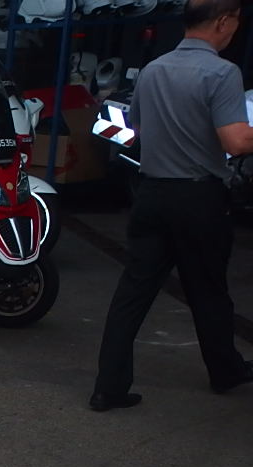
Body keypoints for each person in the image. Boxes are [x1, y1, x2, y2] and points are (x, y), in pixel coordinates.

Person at [90, 0, 253, 411]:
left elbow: (138, 125)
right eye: (236, 22)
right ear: (223, 21)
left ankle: (108, 387)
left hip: (151, 194)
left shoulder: (153, 70)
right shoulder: (222, 72)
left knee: (133, 292)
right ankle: (225, 371)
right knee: (209, 290)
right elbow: (236, 142)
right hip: (198, 198)